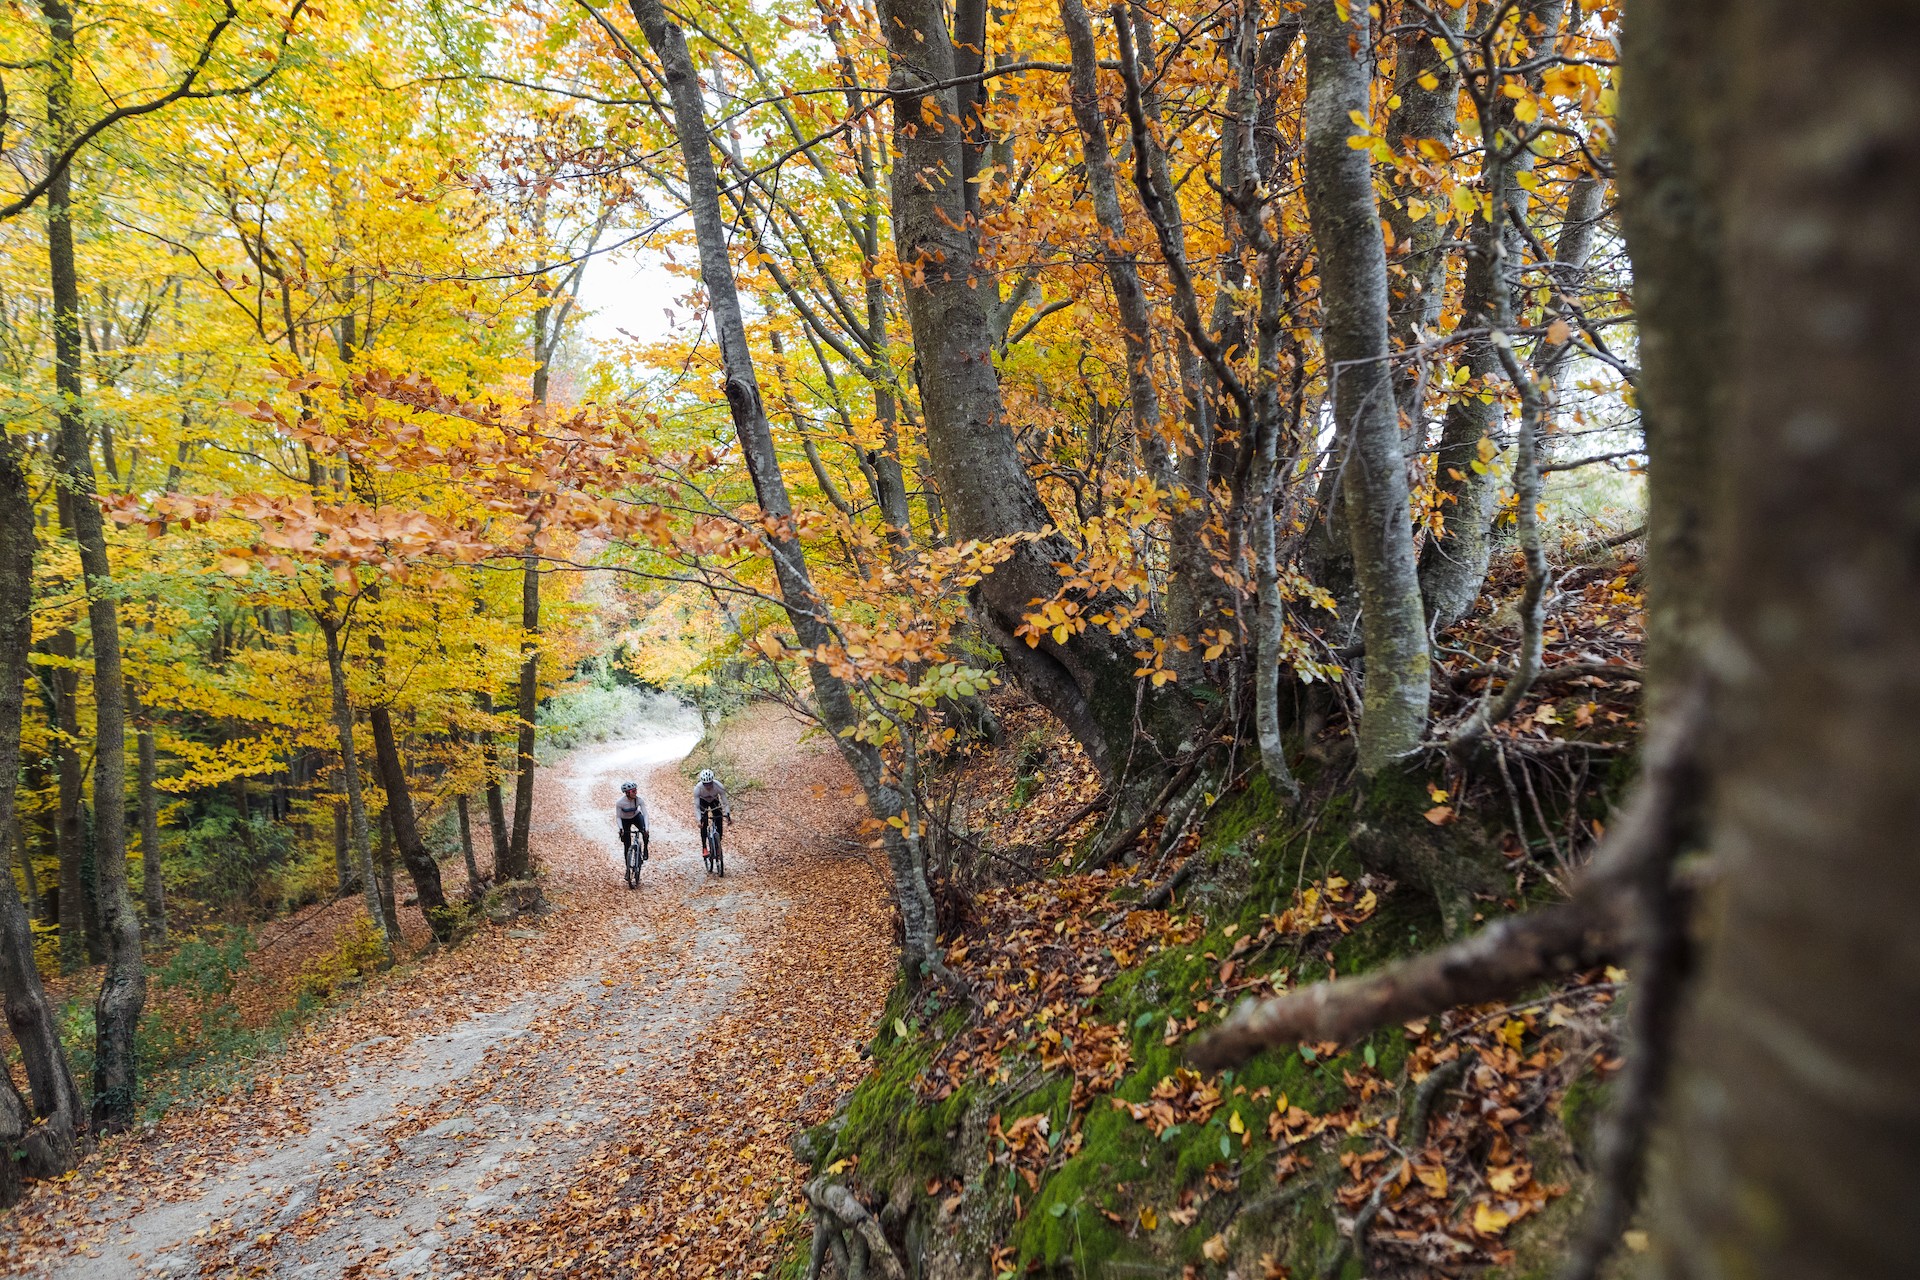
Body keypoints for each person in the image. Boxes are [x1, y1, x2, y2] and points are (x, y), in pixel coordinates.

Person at [693, 768, 730, 854]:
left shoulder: (719, 786)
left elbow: (725, 803)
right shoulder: (697, 788)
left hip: (714, 800)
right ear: (702, 782)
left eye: (710, 783)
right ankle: (704, 847)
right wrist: (699, 820)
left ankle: (717, 845)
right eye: (705, 784)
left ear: (712, 781)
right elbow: (697, 807)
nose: (708, 786)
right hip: (703, 802)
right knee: (703, 823)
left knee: (719, 820)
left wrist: (728, 814)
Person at [616, 781, 649, 864]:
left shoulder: (639, 800)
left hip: (636, 817)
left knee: (644, 831)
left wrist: (646, 829)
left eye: (635, 790)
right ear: (627, 793)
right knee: (627, 844)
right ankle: (627, 867)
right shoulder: (620, 802)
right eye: (633, 791)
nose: (635, 793)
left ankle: (645, 848)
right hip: (625, 820)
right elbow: (618, 817)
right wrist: (621, 828)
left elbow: (645, 814)